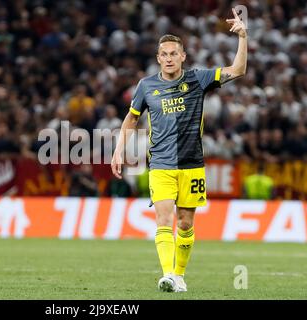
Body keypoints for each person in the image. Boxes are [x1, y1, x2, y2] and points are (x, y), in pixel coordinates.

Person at [111, 8, 247, 292]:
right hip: (160, 164)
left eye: (174, 53)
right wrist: (118, 150)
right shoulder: (146, 86)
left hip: (191, 164)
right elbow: (131, 118)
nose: (169, 58)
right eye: (164, 54)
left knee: (185, 224)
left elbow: (238, 70)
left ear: (182, 56)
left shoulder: (198, 79)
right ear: (158, 58)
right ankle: (168, 275)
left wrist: (243, 37)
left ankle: (180, 275)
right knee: (163, 218)